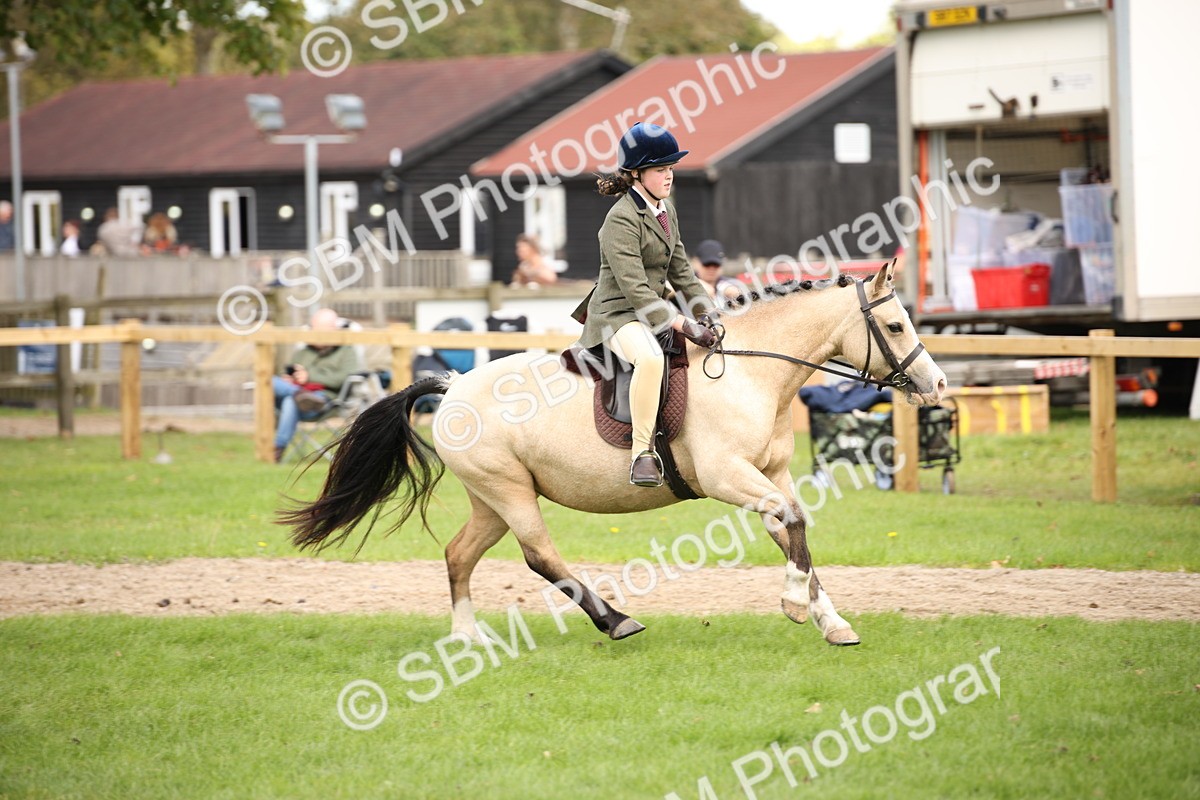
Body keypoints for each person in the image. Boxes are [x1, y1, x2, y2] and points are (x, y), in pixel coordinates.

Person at [571, 121, 716, 488]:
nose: (669, 176)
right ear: (636, 174)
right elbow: (636, 291)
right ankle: (642, 454)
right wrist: (684, 324)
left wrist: (709, 313)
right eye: (660, 169)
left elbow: (682, 271)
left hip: (652, 310)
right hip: (617, 315)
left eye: (671, 168)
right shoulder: (620, 220)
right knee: (650, 359)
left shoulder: (666, 210)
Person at [271, 307, 361, 463]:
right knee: (270, 381)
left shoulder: (346, 351)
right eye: (314, 330)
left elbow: (345, 378)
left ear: (334, 329)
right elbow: (290, 373)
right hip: (299, 395)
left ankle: (277, 450)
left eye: (322, 331)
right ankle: (297, 393)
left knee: (290, 401)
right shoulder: (303, 352)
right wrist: (290, 380)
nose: (317, 335)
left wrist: (309, 377)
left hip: (323, 401)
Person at [692, 239, 741, 303]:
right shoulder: (685, 283)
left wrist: (738, 295)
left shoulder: (729, 284)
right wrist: (695, 286)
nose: (711, 269)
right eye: (707, 264)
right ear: (696, 262)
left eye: (716, 265)